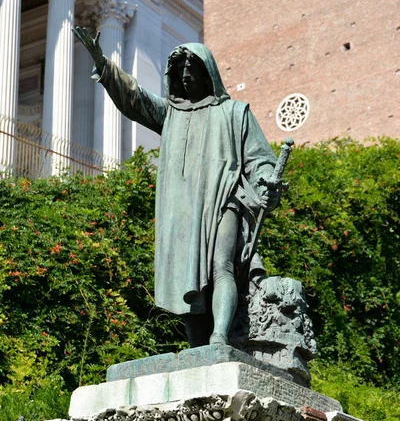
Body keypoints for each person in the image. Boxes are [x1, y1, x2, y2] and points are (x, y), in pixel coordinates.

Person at [72, 28, 282, 347]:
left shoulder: (234, 113)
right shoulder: (172, 114)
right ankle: (197, 349)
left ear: (206, 71)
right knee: (188, 283)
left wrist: (266, 179)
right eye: (179, 69)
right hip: (183, 209)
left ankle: (220, 337)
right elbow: (135, 99)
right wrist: (104, 65)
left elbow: (259, 158)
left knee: (221, 265)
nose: (185, 74)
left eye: (191, 67)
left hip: (223, 198)